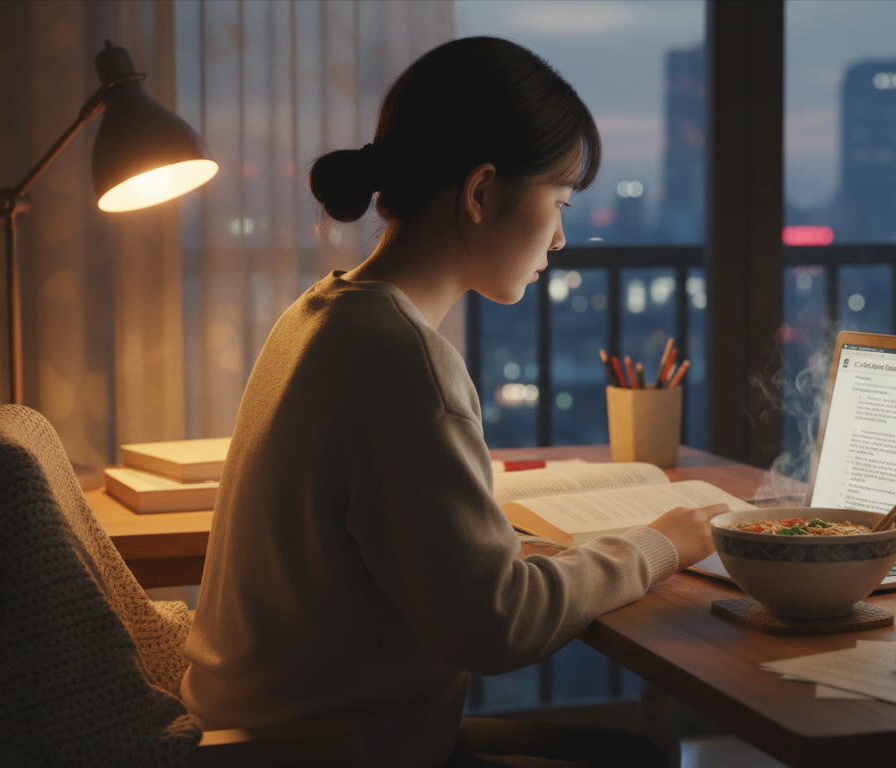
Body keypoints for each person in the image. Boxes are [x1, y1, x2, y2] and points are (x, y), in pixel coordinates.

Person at [180, 36, 727, 767]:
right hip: (324, 750)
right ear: (481, 193)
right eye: (558, 201)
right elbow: (495, 626)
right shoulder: (403, 359)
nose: (561, 236)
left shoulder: (322, 312)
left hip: (256, 730)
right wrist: (660, 545)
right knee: (631, 757)